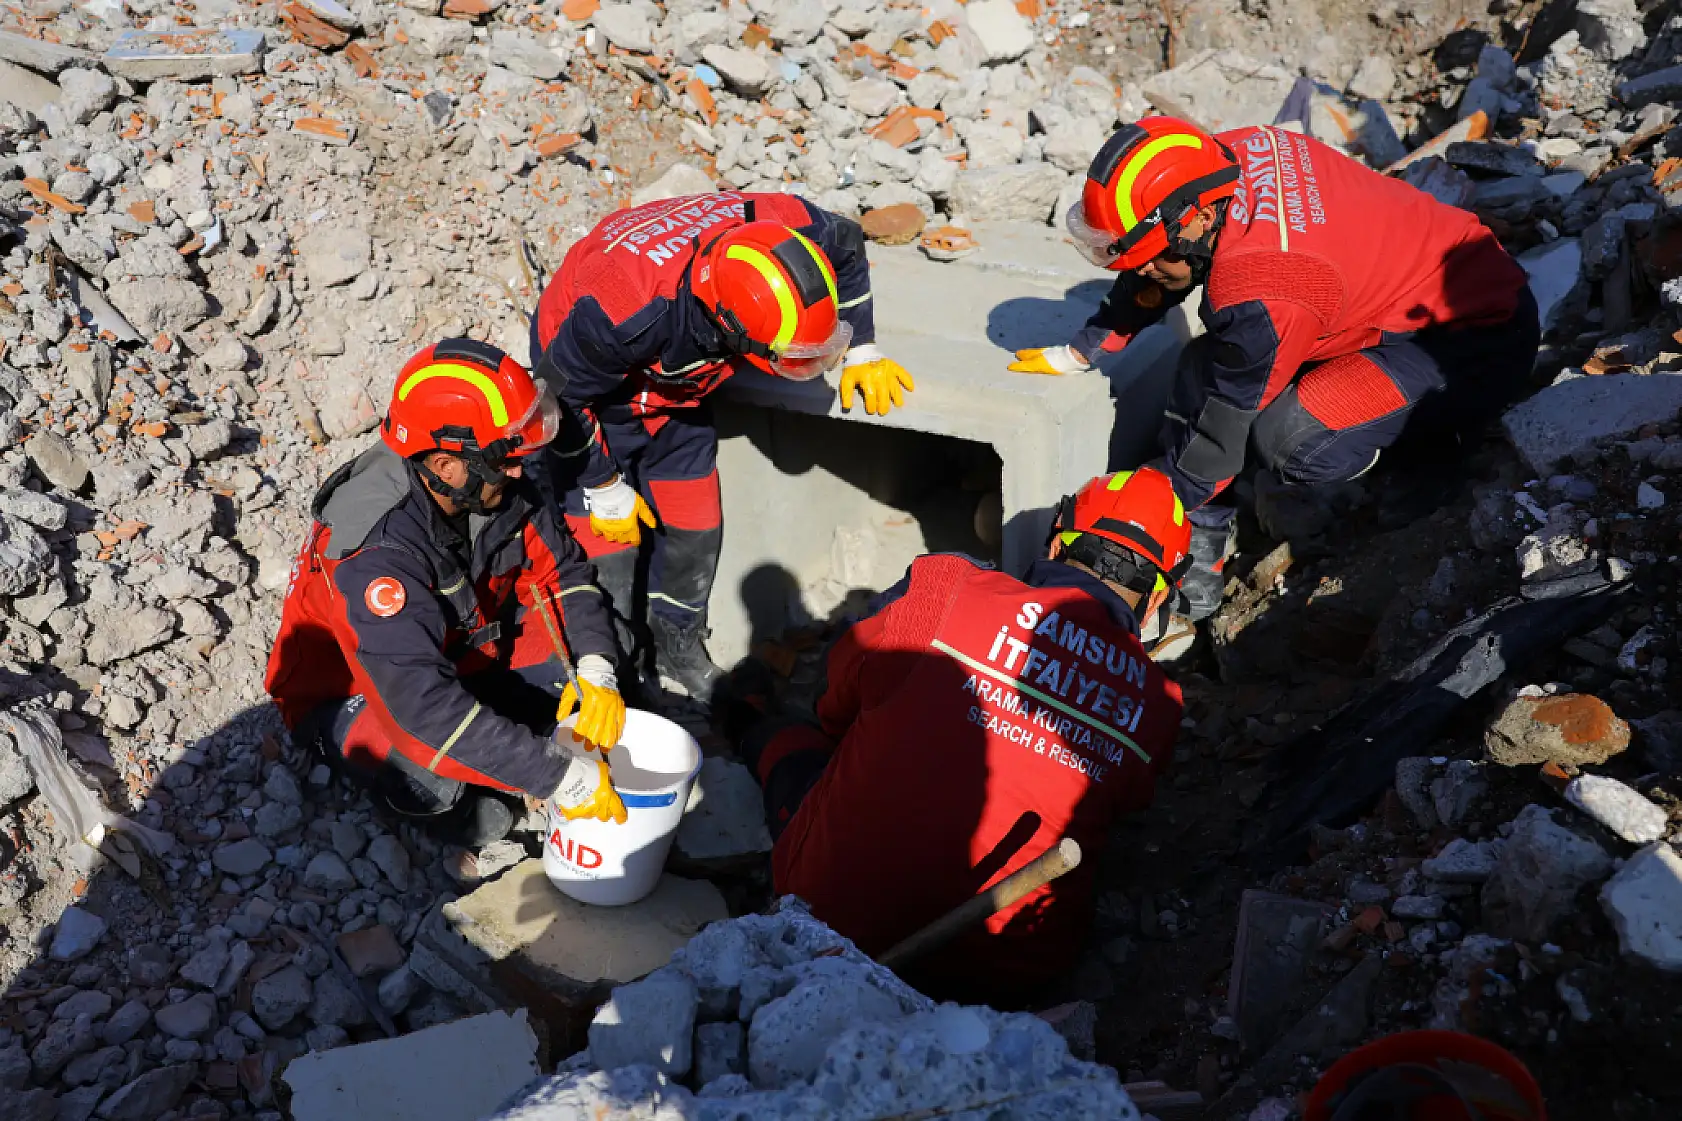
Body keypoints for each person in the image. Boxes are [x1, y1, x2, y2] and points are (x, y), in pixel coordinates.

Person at [1010, 117, 1539, 619]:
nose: (1144, 269)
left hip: (1474, 336)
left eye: (1150, 255)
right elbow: (1161, 267)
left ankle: (1437, 451)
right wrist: (1092, 343)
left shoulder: (1261, 289)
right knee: (1210, 364)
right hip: (1389, 293)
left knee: (1291, 435)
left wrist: (1165, 512)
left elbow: (1224, 425)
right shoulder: (1223, 156)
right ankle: (1211, 516)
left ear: (1196, 218)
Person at [743, 467, 1189, 1005]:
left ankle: (743, 722)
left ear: (1058, 537)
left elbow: (834, 705)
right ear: (1161, 594)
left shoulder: (942, 588)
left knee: (794, 746)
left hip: (832, 924)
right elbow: (1123, 804)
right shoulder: (1158, 707)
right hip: (1007, 975)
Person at [529, 191, 916, 703]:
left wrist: (862, 345)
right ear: (727, 326)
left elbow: (846, 242)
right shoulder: (620, 309)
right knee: (606, 559)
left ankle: (677, 647)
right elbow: (558, 401)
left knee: (697, 527)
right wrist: (601, 483)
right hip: (588, 403)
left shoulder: (785, 225)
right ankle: (620, 677)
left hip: (679, 396)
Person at [266, 339, 631, 846]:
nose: (519, 470)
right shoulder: (376, 555)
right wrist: (557, 777)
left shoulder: (491, 482)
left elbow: (562, 576)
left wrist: (597, 667)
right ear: (445, 465)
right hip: (355, 692)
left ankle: (517, 749)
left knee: (605, 654)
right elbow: (420, 710)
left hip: (463, 651)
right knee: (446, 792)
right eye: (506, 459)